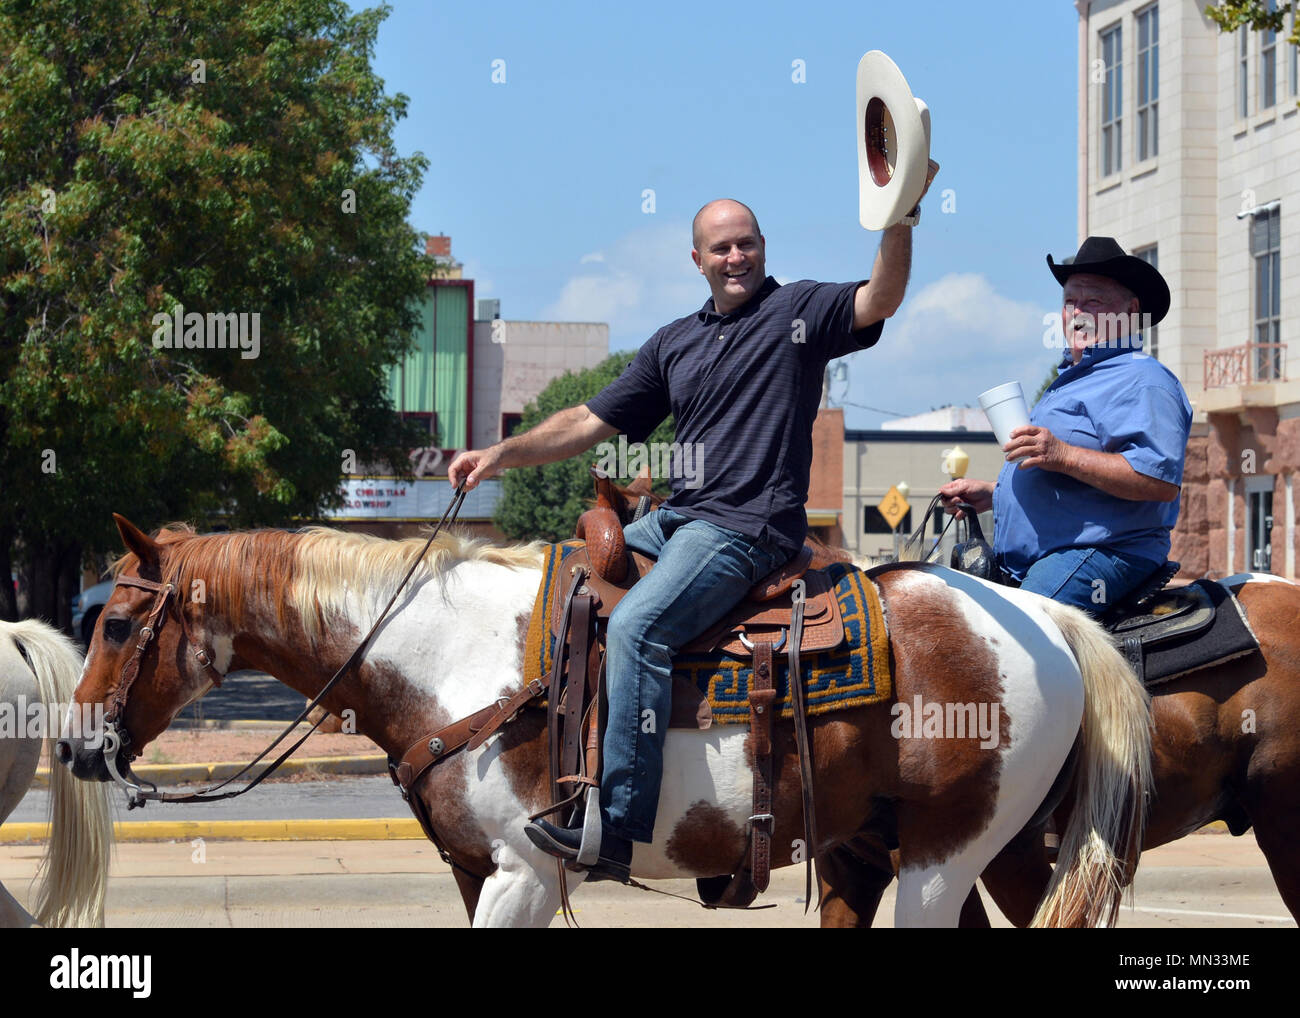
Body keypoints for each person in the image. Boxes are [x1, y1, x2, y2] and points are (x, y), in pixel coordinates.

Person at [447, 180, 937, 881]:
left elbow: (879, 298)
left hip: (747, 528)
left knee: (641, 627)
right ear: (697, 260)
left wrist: (900, 218)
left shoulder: (797, 311)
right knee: (559, 585)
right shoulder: (676, 342)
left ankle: (618, 824)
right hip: (676, 520)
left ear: (763, 249)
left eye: (748, 244)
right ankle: (552, 769)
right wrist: (501, 453)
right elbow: (589, 420)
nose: (736, 256)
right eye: (722, 247)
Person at [939, 236, 1193, 615]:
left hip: (1106, 552)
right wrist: (993, 494)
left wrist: (1061, 453)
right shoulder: (1072, 379)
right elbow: (1071, 487)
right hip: (1056, 556)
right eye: (1070, 301)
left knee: (1020, 634)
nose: (1078, 312)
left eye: (1093, 301)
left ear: (1131, 309)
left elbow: (1158, 482)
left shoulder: (1143, 379)